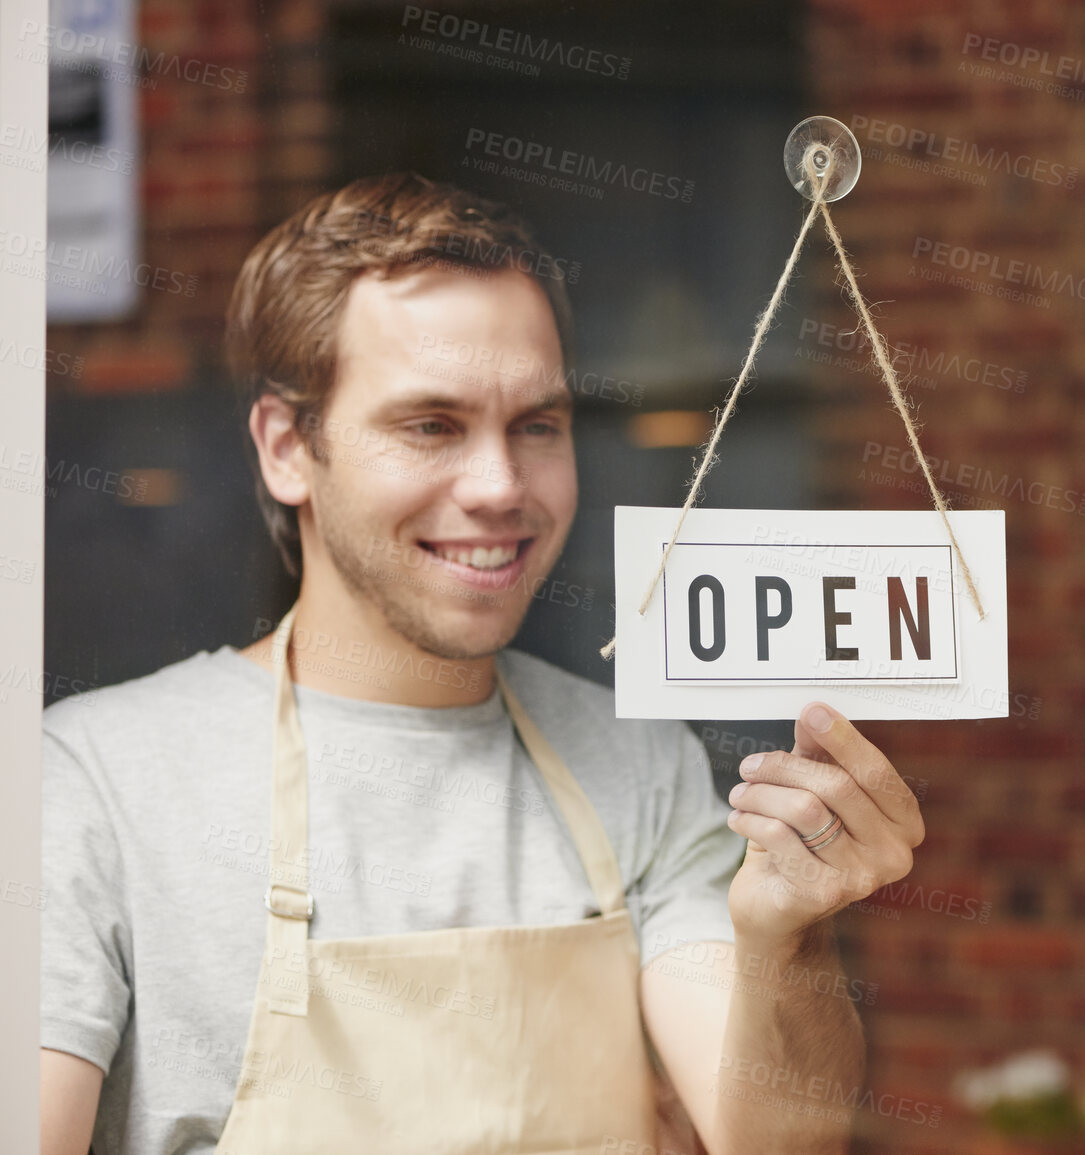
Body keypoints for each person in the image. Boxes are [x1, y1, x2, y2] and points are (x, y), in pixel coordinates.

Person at [39, 172, 925, 1155]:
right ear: (288, 448)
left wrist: (788, 936)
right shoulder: (91, 782)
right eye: (431, 426)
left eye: (537, 425)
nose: (501, 486)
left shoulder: (638, 766)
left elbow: (780, 1145)